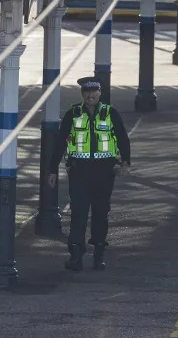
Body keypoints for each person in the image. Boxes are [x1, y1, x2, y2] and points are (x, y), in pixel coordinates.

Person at [48, 76, 132, 271]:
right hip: (79, 171)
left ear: (100, 93)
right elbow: (60, 142)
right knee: (78, 212)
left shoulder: (111, 113)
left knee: (101, 213)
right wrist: (52, 169)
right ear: (82, 94)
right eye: (86, 92)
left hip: (104, 171)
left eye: (94, 91)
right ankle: (76, 255)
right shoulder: (73, 114)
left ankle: (99, 253)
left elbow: (122, 138)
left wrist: (126, 162)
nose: (90, 95)